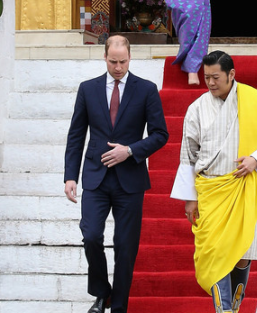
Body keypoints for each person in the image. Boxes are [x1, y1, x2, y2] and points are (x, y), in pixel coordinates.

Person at [171, 51, 257, 313]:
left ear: (231, 74)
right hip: (211, 190)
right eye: (206, 77)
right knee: (217, 253)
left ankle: (234, 307)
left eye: (216, 77)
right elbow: (188, 154)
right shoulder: (197, 108)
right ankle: (223, 310)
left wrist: (256, 159)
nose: (210, 83)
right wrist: (190, 198)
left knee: (242, 254)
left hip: (245, 188)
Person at [64, 35, 169, 313]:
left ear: (130, 58)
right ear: (105, 58)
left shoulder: (146, 89)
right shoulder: (88, 89)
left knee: (125, 245)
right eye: (113, 61)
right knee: (91, 235)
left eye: (123, 61)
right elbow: (76, 135)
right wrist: (70, 176)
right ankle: (102, 293)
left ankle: (118, 306)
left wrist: (131, 150)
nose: (118, 67)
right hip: (96, 178)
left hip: (130, 180)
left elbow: (160, 135)